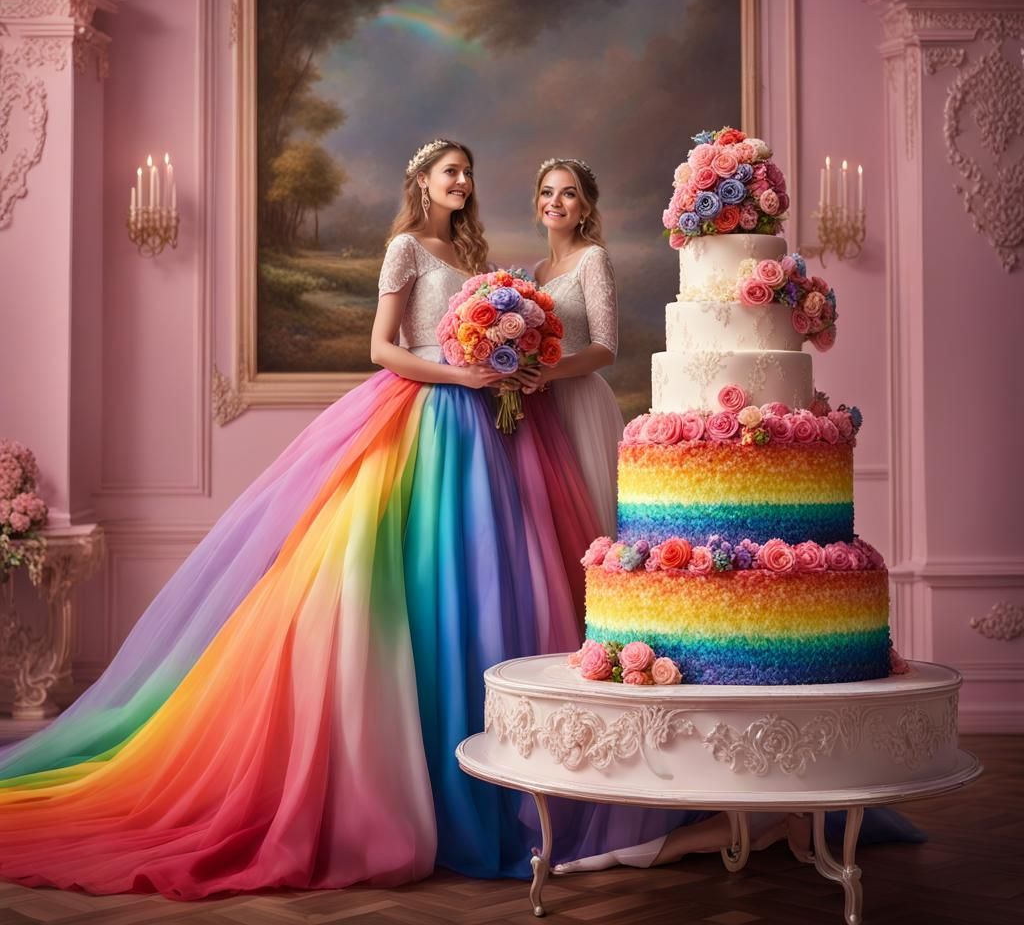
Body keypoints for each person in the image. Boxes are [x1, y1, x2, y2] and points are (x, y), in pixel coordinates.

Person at [0, 139, 599, 898]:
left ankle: (478, 777)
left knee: (476, 580)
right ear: (420, 180)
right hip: (426, 419)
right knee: (397, 580)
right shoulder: (406, 248)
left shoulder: (465, 248)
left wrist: (499, 365)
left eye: (468, 173)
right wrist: (458, 372)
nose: (462, 181)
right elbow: (383, 349)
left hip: (477, 427)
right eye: (449, 171)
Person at [520, 158, 624, 536]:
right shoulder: (536, 272)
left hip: (579, 398)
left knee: (586, 515)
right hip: (538, 402)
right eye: (547, 193)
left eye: (569, 194)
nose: (555, 202)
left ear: (585, 208)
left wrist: (550, 371)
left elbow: (605, 348)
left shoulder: (593, 259)